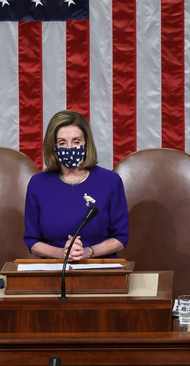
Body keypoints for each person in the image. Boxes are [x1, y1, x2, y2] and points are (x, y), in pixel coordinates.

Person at [23, 109, 129, 261]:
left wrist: (87, 252)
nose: (70, 148)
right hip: (55, 270)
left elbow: (121, 238)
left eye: (76, 141)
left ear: (86, 143)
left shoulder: (110, 181)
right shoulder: (38, 184)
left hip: (101, 269)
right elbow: (32, 241)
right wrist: (62, 254)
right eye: (62, 143)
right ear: (53, 146)